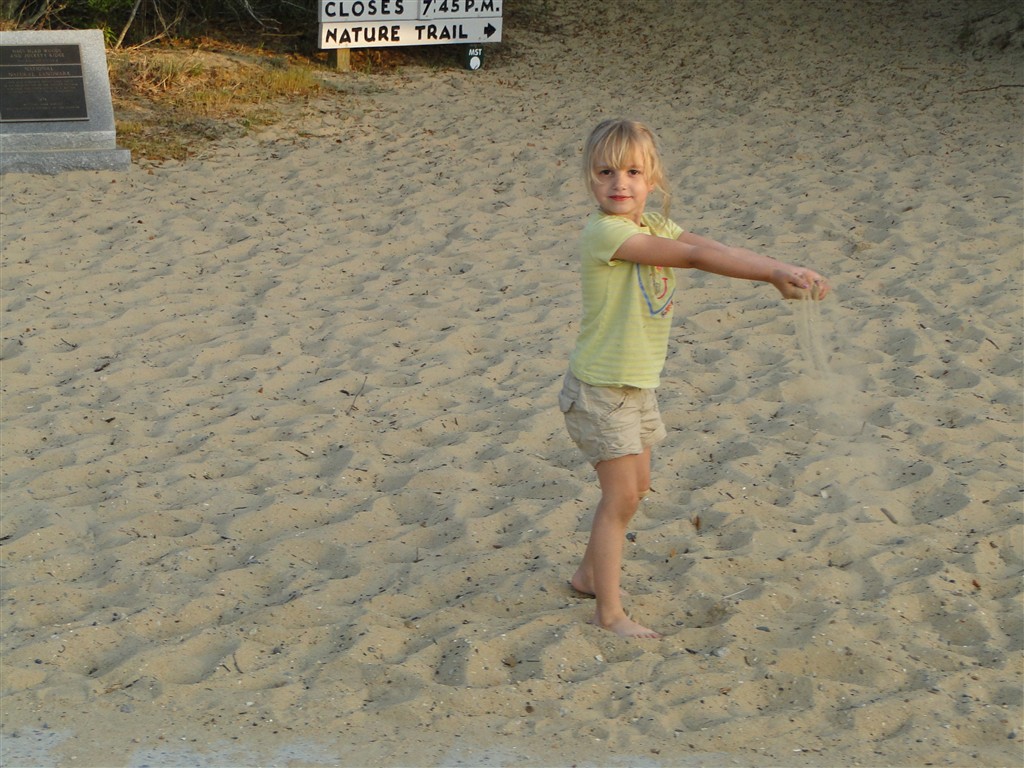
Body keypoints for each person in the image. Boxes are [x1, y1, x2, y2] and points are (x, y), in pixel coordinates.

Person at [559, 119, 830, 639]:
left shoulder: (655, 224)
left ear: (653, 179)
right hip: (601, 391)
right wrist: (770, 275)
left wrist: (784, 269)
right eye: (605, 172)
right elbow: (694, 258)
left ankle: (588, 576)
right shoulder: (607, 233)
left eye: (633, 172)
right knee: (620, 498)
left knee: (637, 488)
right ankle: (609, 614)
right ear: (589, 179)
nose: (620, 183)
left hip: (636, 385)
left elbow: (716, 247)